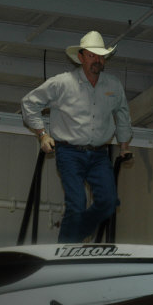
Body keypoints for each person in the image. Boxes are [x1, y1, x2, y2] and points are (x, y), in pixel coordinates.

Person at [21, 30, 132, 243]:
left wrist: (124, 146)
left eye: (100, 56)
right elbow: (29, 103)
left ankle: (74, 236)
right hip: (69, 152)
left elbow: (122, 114)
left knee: (109, 202)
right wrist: (42, 135)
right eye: (91, 55)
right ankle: (67, 246)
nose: (97, 60)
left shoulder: (113, 85)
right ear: (80, 57)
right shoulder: (62, 83)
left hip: (99, 154)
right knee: (77, 203)